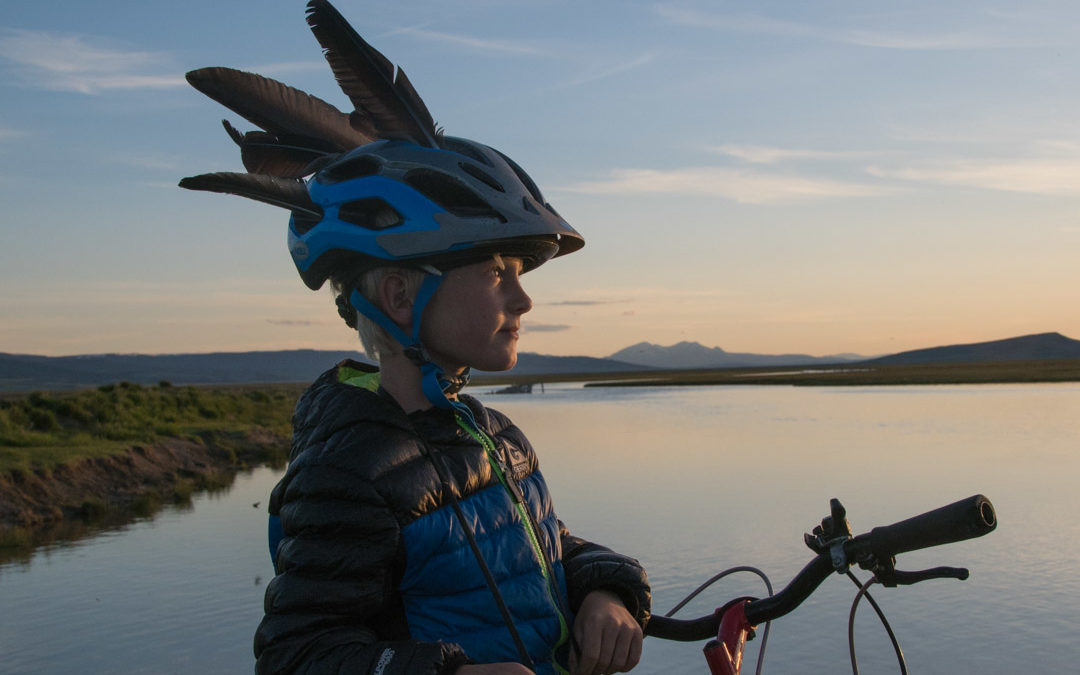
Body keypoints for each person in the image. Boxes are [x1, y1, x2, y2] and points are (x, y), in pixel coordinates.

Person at [179, 2, 651, 674]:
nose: (522, 297)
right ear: (400, 294)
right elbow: (298, 652)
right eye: (494, 272)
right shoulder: (348, 472)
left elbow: (544, 550)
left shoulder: (496, 436)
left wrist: (606, 588)